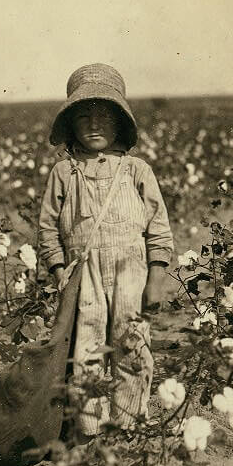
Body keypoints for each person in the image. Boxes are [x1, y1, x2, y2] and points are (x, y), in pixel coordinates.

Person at [38, 63, 174, 438]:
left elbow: (158, 229)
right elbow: (48, 228)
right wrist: (58, 271)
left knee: (131, 345)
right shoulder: (64, 173)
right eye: (83, 116)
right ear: (70, 125)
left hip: (132, 271)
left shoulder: (136, 171)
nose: (94, 125)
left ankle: (129, 423)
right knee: (87, 350)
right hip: (84, 277)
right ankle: (91, 430)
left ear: (119, 123)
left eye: (103, 116)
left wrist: (156, 279)